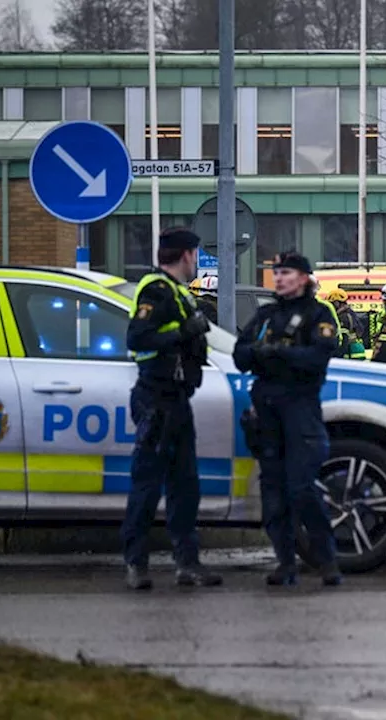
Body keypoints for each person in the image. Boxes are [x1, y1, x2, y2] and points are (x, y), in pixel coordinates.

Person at [234, 251, 342, 587]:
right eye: (276, 272)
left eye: (287, 272)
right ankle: (284, 562)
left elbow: (317, 358)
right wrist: (260, 354)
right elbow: (240, 355)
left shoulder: (318, 314)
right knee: (273, 491)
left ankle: (326, 559)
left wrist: (278, 354)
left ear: (304, 278)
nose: (279, 278)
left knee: (302, 488)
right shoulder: (265, 315)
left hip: (300, 408)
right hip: (267, 409)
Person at [121, 227, 222, 591]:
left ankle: (188, 565)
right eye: (195, 255)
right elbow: (137, 338)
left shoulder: (178, 292)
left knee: (185, 486)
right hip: (156, 398)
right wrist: (183, 332)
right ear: (185, 256)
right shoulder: (156, 291)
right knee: (147, 485)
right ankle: (136, 564)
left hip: (177, 399)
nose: (196, 262)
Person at [325, 288, 367, 359]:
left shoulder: (343, 317)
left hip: (351, 352)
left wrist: (337, 356)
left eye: (332, 303)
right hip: (356, 349)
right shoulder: (349, 313)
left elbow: (344, 339)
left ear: (337, 303)